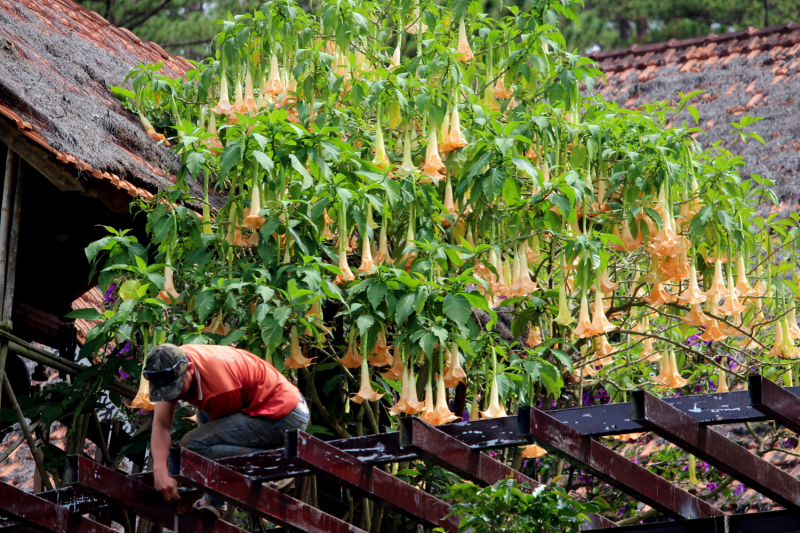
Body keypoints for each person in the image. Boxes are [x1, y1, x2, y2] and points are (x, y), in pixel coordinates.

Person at [143, 343, 309, 517]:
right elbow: (161, 425)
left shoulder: (218, 387)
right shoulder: (168, 366)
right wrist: (160, 471)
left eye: (175, 388)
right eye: (165, 390)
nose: (171, 394)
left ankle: (277, 468)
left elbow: (206, 454)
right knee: (204, 422)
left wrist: (194, 491)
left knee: (193, 445)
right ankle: (214, 502)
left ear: (189, 368)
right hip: (267, 407)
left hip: (286, 415)